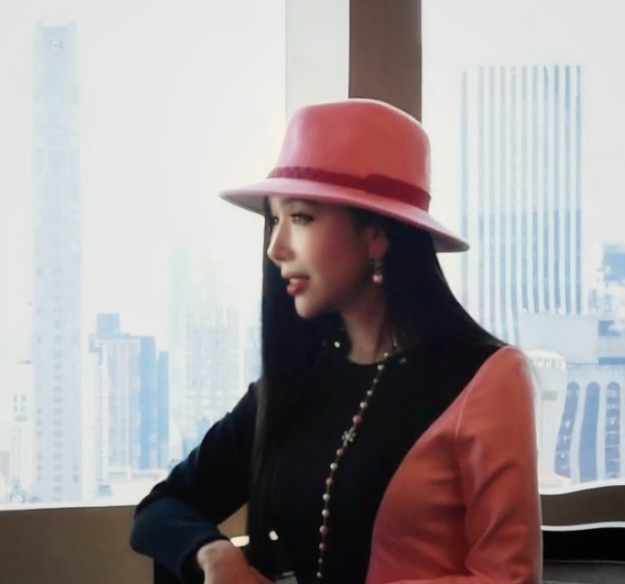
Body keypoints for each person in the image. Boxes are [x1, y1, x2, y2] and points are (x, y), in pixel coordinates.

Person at [130, 98, 541, 584]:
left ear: (375, 236)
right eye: (274, 219)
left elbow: (508, 578)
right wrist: (214, 553)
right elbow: (162, 508)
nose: (276, 248)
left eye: (301, 217)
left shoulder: (488, 378)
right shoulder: (298, 378)